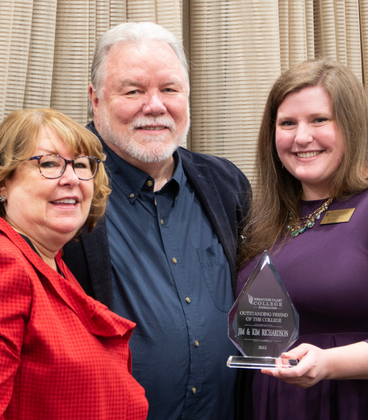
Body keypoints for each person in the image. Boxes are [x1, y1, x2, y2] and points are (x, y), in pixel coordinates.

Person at [62, 21, 251, 420]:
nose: (155, 105)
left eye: (169, 89)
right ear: (95, 99)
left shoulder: (225, 183)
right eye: (133, 91)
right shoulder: (63, 188)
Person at [236, 58, 368, 420]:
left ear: (351, 125)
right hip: (267, 403)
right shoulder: (263, 218)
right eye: (287, 123)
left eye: (319, 120)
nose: (302, 137)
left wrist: (329, 363)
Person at [0, 108, 148, 420]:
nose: (70, 179)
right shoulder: (6, 263)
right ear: (3, 182)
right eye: (49, 163)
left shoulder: (52, 264)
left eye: (81, 165)